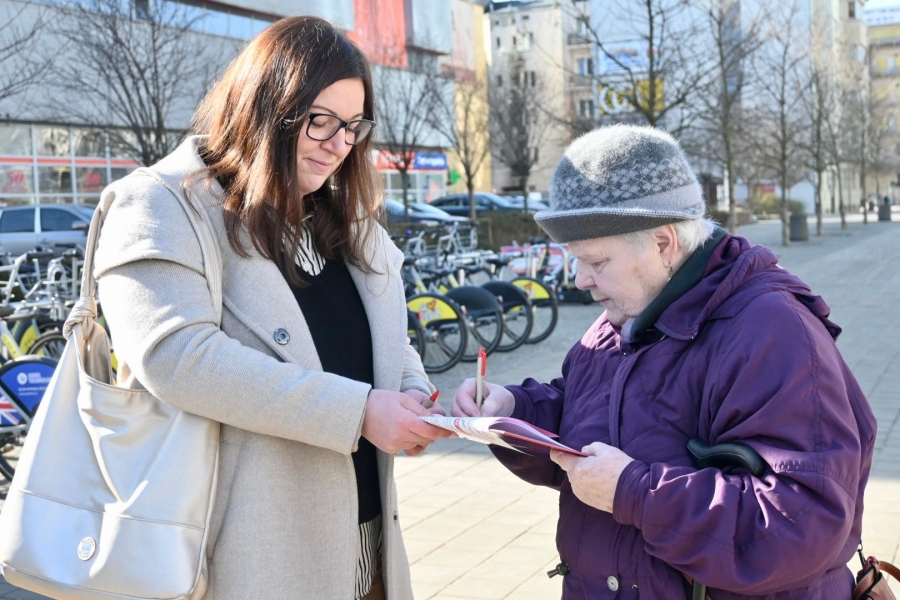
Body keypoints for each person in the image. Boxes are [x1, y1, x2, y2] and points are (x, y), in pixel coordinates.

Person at [94, 16, 451, 600]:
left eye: (354, 126)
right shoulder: (163, 204)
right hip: (245, 552)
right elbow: (177, 358)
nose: (339, 144)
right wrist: (360, 412)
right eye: (321, 121)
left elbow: (388, 337)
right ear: (266, 107)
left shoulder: (343, 216)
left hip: (367, 546)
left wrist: (414, 394)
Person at [452, 125, 877, 598]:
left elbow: (801, 524)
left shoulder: (773, 332)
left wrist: (636, 493)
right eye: (575, 259)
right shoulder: (624, 317)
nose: (579, 280)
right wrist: (513, 412)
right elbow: (589, 418)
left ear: (663, 243)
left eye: (596, 261)